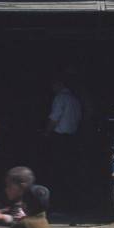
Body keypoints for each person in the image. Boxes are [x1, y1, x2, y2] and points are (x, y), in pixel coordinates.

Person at [43, 79, 83, 209]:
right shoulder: (75, 99)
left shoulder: (60, 98)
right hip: (72, 138)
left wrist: (46, 132)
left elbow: (54, 118)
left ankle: (58, 204)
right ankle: (70, 203)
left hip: (60, 138)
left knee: (57, 172)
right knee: (69, 171)